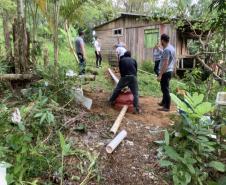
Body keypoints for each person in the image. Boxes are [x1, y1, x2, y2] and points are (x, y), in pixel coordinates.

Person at [157, 34, 176, 112]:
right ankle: (163, 102)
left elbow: (165, 63)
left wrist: (160, 75)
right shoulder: (171, 48)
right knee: (164, 88)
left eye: (160, 40)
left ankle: (167, 107)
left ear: (162, 40)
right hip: (169, 70)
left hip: (165, 72)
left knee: (165, 89)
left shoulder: (166, 50)